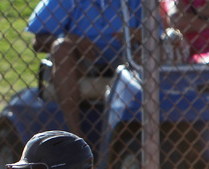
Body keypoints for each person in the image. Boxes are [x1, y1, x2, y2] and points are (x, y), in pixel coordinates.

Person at [26, 0, 142, 140]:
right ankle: (76, 136)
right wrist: (72, 39)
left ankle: (142, 131)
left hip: (127, 60)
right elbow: (38, 40)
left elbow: (158, 34)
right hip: (82, 64)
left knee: (149, 50)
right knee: (61, 48)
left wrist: (140, 34)